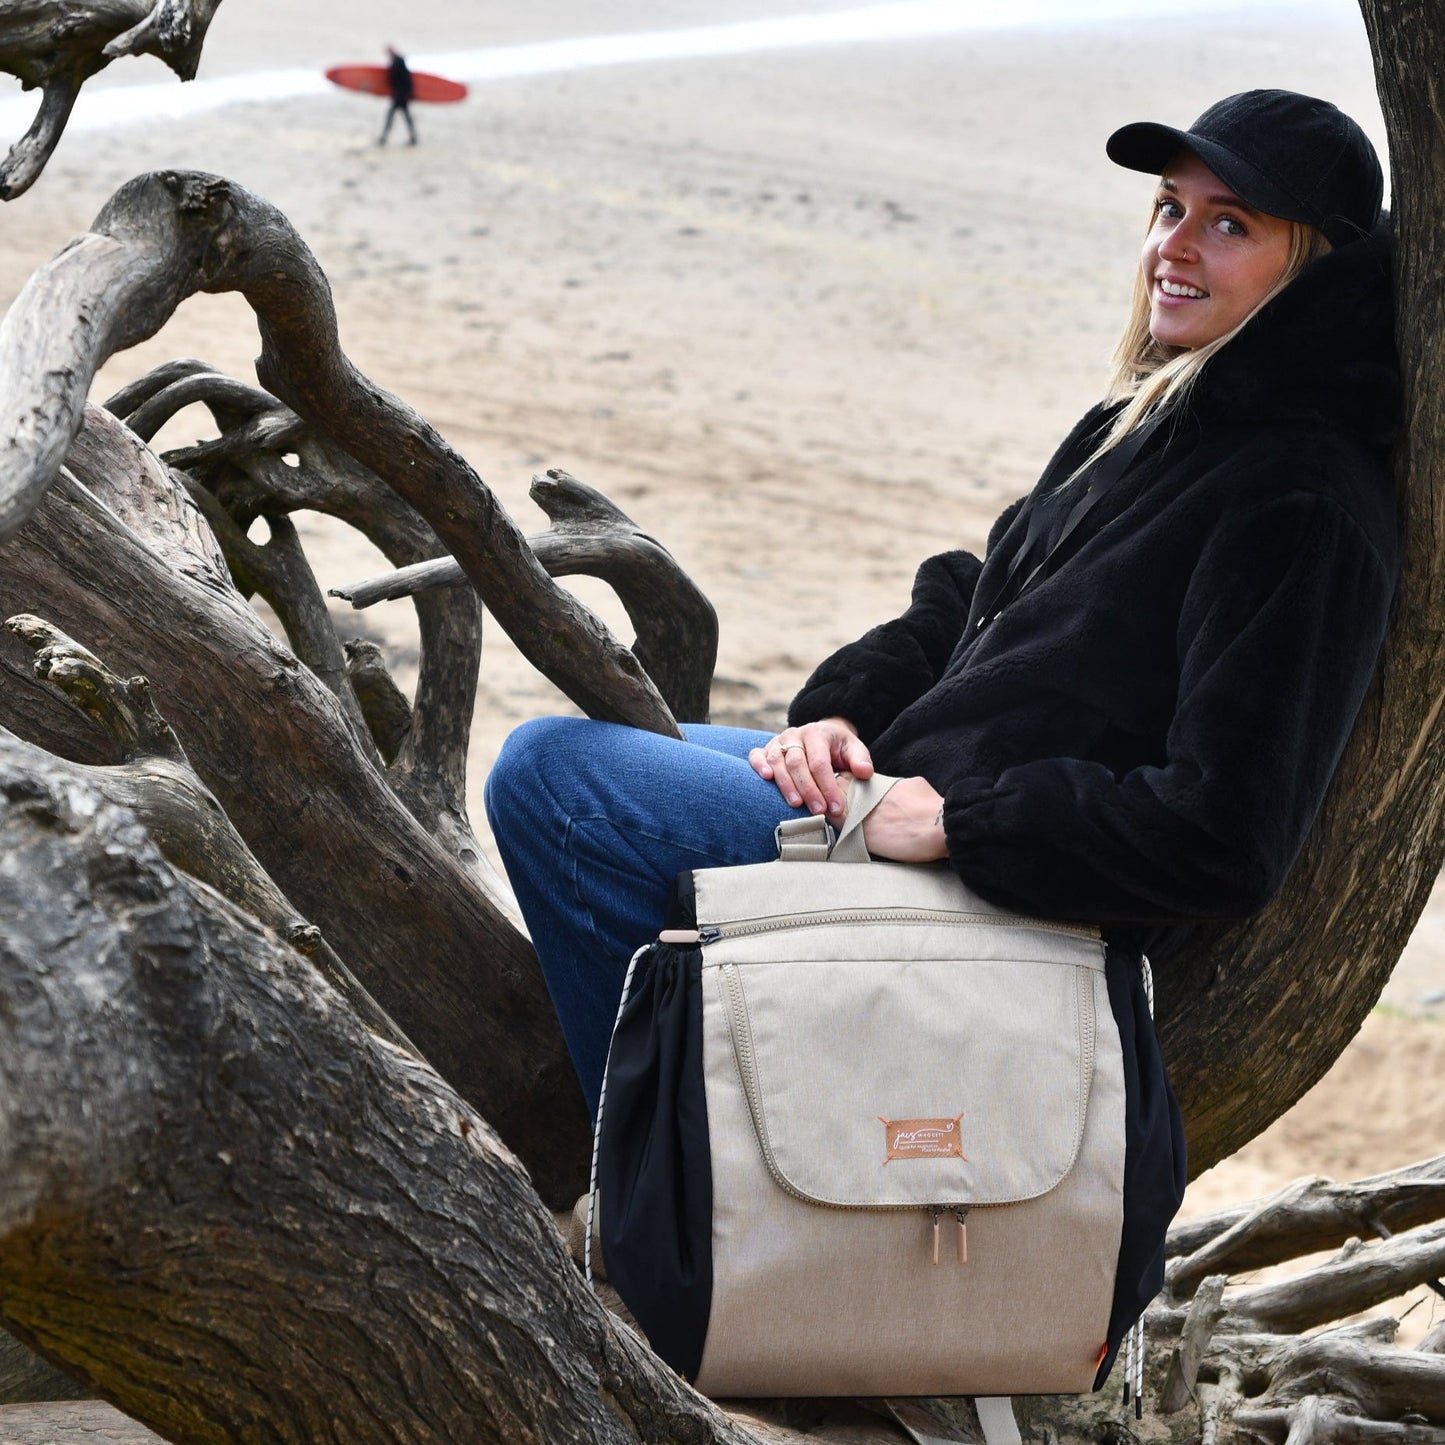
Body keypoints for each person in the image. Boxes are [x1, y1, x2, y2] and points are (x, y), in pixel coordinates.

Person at [486, 87, 1397, 1179]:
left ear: (1316, 266)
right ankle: (710, 1136)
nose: (1174, 245)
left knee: (555, 779)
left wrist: (965, 823)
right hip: (911, 798)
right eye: (1166, 208)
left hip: (989, 897)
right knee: (646, 748)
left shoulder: (1297, 496)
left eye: (1228, 222)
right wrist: (841, 710)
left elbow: (1223, 832)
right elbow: (981, 599)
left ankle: (659, 1196)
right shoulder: (1155, 418)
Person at [379, 45, 417, 146]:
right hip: (400, 95)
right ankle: (413, 138)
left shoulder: (398, 62)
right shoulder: (396, 62)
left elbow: (406, 79)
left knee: (392, 117)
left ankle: (383, 138)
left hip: (400, 95)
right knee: (405, 117)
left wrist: (408, 93)